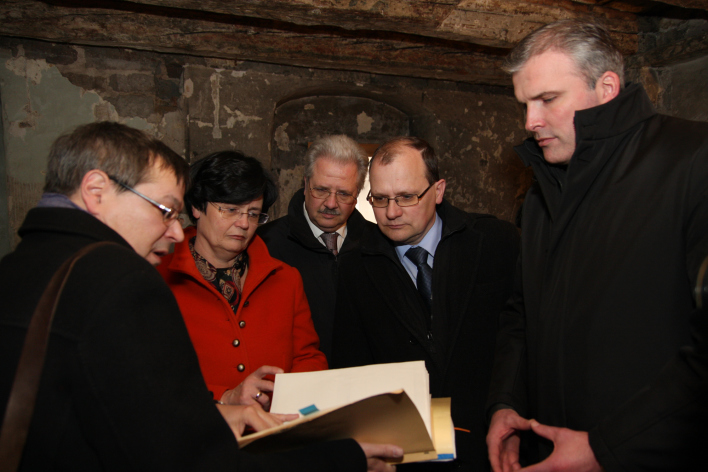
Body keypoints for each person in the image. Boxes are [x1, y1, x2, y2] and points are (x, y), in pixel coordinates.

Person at [0, 121, 402, 471]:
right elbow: (184, 456)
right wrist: (340, 459)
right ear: (96, 189)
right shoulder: (130, 281)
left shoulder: (23, 268)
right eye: (163, 209)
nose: (173, 231)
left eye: (253, 213)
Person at [485, 19, 708, 472]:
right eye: (525, 104)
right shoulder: (540, 196)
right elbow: (521, 314)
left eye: (547, 99)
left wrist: (608, 448)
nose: (531, 122)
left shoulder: (694, 160)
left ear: (606, 87)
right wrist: (506, 404)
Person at [331, 136, 520, 471]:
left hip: (492, 444)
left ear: (438, 190)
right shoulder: (354, 266)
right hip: (405, 453)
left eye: (406, 197)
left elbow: (520, 339)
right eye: (379, 199)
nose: (390, 213)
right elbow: (351, 364)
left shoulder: (495, 243)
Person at [158, 151, 327, 409]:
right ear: (196, 207)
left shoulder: (286, 279)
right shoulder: (159, 280)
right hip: (197, 433)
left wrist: (287, 400)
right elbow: (150, 376)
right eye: (231, 210)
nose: (243, 223)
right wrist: (223, 397)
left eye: (253, 213)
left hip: (276, 431)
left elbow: (308, 356)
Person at [258, 135, 376, 360]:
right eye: (321, 190)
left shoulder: (379, 245)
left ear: (358, 194)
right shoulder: (265, 245)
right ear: (305, 185)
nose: (331, 204)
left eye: (343, 193)